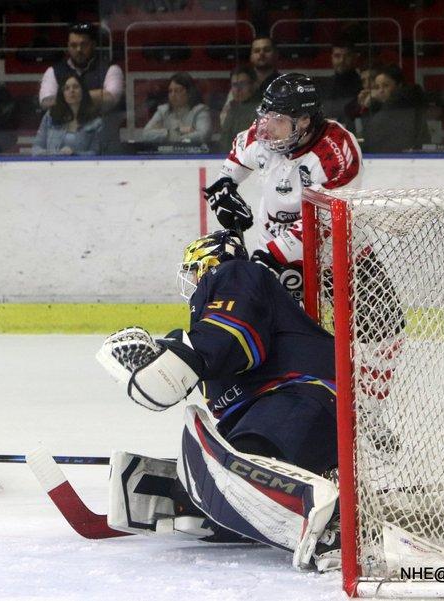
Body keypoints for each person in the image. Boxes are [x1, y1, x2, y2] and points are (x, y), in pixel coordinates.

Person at [96, 230, 341, 571]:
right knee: (221, 472)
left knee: (243, 461)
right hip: (284, 408)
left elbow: (233, 332)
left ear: (209, 263)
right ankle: (210, 505)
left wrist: (184, 355)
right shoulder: (220, 306)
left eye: (194, 270)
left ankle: (332, 524)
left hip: (303, 394)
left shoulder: (235, 273)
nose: (193, 280)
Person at [203, 73, 362, 301]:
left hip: (338, 259)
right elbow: (237, 158)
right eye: (265, 115)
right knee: (269, 321)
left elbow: (325, 220)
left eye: (277, 118)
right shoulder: (266, 135)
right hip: (276, 256)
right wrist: (224, 188)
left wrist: (270, 255)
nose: (266, 126)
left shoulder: (335, 151)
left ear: (304, 120)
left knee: (378, 323)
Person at [359, 64, 430, 153]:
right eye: (377, 87)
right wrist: (367, 107)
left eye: (386, 86)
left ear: (399, 85)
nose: (380, 91)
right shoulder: (379, 106)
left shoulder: (406, 102)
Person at [32, 74, 103, 156]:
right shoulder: (50, 116)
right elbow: (36, 150)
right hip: (52, 163)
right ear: (62, 93)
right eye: (67, 88)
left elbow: (96, 153)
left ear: (83, 91)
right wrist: (59, 154)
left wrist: (74, 154)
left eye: (75, 87)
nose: (71, 90)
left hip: (81, 164)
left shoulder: (95, 121)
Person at [140, 72, 212, 145]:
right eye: (170, 91)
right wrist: (172, 132)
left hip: (191, 152)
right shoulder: (163, 111)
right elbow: (146, 134)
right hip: (166, 152)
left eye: (177, 91)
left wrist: (166, 135)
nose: (173, 95)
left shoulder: (200, 110)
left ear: (189, 92)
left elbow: (203, 136)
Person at [319, 40, 362, 131]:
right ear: (332, 58)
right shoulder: (325, 85)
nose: (342, 60)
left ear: (354, 58)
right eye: (337, 56)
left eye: (347, 56)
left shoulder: (363, 85)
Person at [217, 64, 261, 152]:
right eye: (234, 85)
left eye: (242, 84)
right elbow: (224, 141)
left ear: (254, 85)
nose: (238, 89)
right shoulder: (232, 109)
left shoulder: (261, 110)